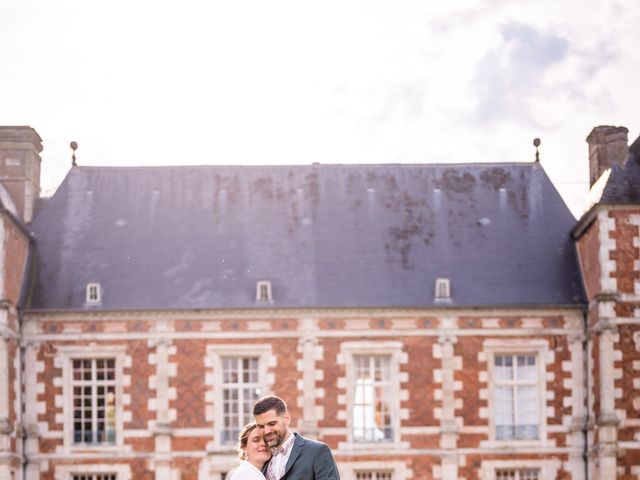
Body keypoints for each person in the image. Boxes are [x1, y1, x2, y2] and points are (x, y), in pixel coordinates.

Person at [253, 396, 340, 480]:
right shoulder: (262, 458)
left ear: (286, 419)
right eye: (260, 426)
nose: (267, 431)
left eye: (272, 424)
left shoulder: (317, 451)